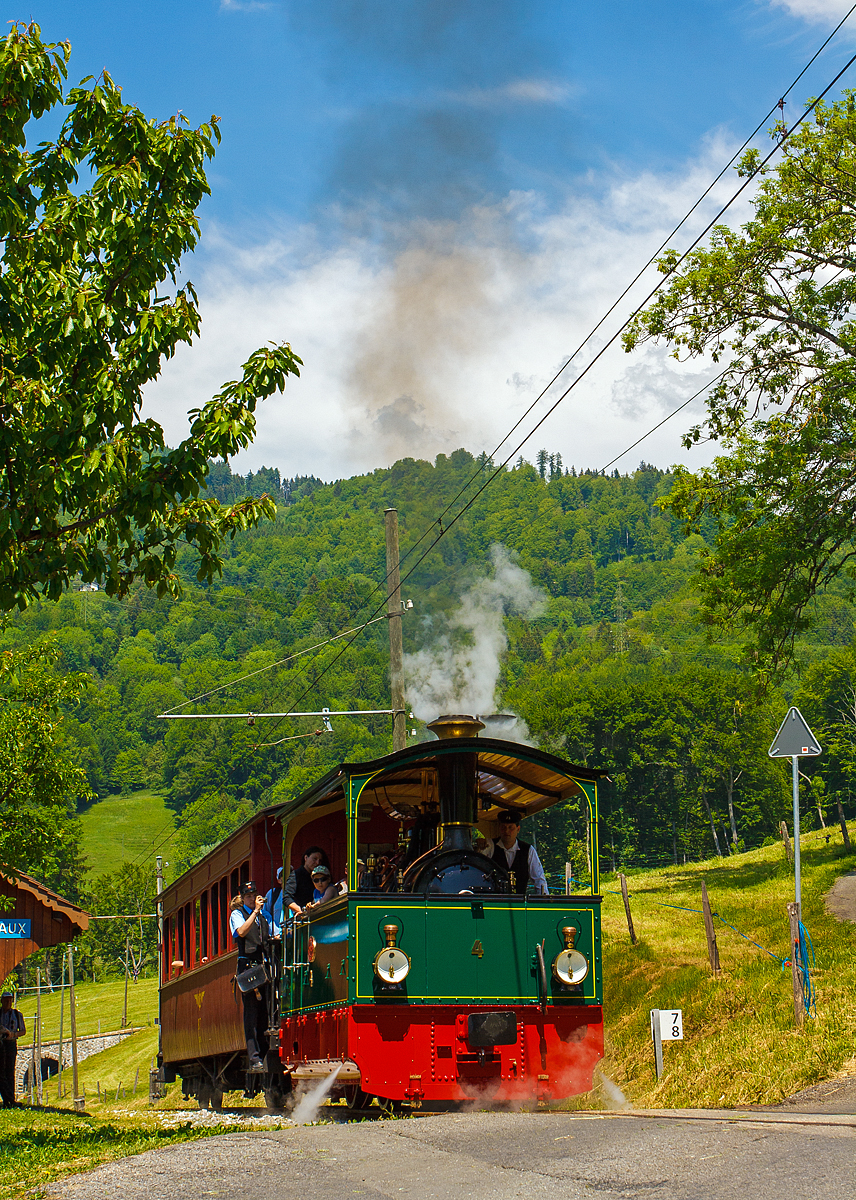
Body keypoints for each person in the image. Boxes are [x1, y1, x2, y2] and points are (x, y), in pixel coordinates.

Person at [230, 881, 270, 1072]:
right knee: (251, 1014)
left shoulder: (264, 915)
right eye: (248, 896)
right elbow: (241, 932)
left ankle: (265, 1053)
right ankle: (254, 1056)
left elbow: (272, 932)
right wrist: (254, 912)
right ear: (243, 898)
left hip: (264, 965)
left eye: (254, 895)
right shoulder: (237, 915)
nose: (252, 899)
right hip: (248, 967)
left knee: (266, 1011)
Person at [487, 808, 548, 895]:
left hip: (520, 905)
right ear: (499, 828)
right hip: (495, 904)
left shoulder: (528, 850)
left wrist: (544, 902)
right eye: (503, 827)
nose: (506, 831)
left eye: (510, 827)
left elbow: (539, 879)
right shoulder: (490, 846)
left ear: (518, 829)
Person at [282, 846, 330, 918]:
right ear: (306, 858)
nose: (317, 863)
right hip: (304, 917)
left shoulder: (322, 875)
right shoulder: (296, 875)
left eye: (319, 860)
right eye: (314, 859)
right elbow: (287, 898)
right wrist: (300, 910)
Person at [0, 991, 25, 1108]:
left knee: (10, 1071)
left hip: (10, 1043)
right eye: (5, 1000)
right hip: (0, 1044)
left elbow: (23, 1031)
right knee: (1, 1072)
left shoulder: (17, 1014)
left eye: (10, 1000)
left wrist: (13, 1034)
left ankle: (10, 1098)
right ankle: (7, 1099)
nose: (7, 1003)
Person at [263, 866, 285, 939]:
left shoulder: (298, 893)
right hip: (278, 937)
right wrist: (275, 932)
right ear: (279, 880)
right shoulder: (272, 894)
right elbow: (265, 914)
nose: (287, 877)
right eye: (283, 875)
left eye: (290, 874)